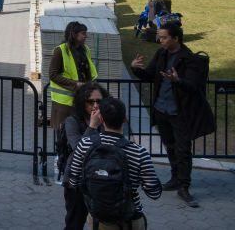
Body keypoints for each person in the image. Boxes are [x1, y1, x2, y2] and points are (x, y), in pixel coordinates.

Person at [130, 21, 215, 207]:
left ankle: (184, 186)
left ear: (176, 38)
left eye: (164, 37)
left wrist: (177, 80)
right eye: (159, 36)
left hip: (180, 113)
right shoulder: (162, 53)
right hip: (161, 110)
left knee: (183, 150)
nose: (159, 40)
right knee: (169, 145)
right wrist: (136, 69)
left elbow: (194, 86)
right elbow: (150, 76)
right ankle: (175, 177)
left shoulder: (189, 59)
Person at [67, 97, 161, 229]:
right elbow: (154, 193)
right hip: (129, 219)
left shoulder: (85, 144)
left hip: (97, 218)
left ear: (101, 119)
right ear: (124, 119)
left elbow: (73, 182)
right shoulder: (139, 152)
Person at [61, 82, 108, 229]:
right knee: (75, 221)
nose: (95, 106)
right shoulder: (72, 121)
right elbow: (79, 148)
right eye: (90, 101)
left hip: (101, 178)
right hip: (77, 179)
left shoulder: (106, 119)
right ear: (82, 102)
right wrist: (92, 126)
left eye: (99, 101)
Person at [49, 21, 99, 131]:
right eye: (83, 33)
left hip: (82, 99)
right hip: (64, 103)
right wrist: (75, 84)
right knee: (64, 134)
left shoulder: (85, 49)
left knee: (81, 132)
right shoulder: (60, 51)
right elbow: (53, 75)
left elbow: (87, 71)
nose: (86, 36)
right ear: (74, 34)